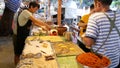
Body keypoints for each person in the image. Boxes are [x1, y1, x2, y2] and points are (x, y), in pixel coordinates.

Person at [82, 0, 120, 68]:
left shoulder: (94, 17)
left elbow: (89, 43)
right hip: (115, 61)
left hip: (100, 62)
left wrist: (84, 36)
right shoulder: (118, 15)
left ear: (98, 4)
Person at [13, 1, 50, 65]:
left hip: (24, 35)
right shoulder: (25, 12)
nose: (35, 11)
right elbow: (35, 20)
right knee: (17, 53)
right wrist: (46, 25)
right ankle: (16, 65)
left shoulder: (29, 13)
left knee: (23, 52)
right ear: (31, 7)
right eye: (35, 9)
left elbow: (34, 23)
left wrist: (42, 26)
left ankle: (21, 64)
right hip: (19, 35)